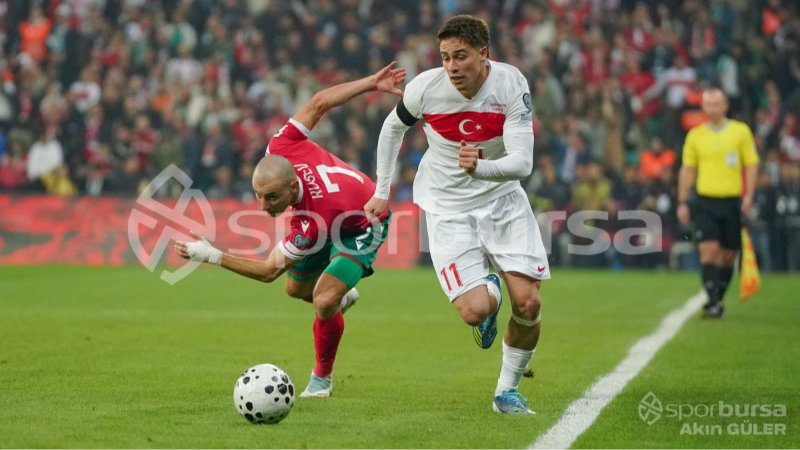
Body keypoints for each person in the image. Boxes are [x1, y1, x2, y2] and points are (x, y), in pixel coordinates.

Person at [174, 62, 405, 397]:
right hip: (332, 213)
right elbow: (319, 102)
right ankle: (343, 293)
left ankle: (321, 380)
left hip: (363, 221)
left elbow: (268, 271)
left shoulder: (311, 223)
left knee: (324, 300)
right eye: (258, 195)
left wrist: (211, 254)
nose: (263, 207)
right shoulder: (280, 145)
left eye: (271, 198)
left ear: (291, 187)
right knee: (295, 290)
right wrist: (371, 82)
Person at [364, 16, 547, 415]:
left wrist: (481, 168)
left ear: (484, 54)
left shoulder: (511, 83)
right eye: (445, 57)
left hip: (501, 200)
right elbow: (391, 129)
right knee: (474, 311)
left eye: (460, 57)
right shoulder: (425, 88)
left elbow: (523, 162)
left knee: (530, 305)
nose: (451, 67)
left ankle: (506, 392)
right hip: (446, 206)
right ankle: (490, 292)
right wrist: (382, 190)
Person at [677, 88, 759, 317]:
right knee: (708, 250)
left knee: (728, 256)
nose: (713, 108)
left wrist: (749, 194)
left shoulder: (740, 132)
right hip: (706, 201)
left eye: (717, 103)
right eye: (708, 104)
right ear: (703, 107)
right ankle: (713, 301)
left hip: (731, 201)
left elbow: (751, 164)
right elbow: (688, 169)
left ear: (725, 106)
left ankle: (717, 296)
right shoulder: (695, 135)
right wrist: (682, 201)